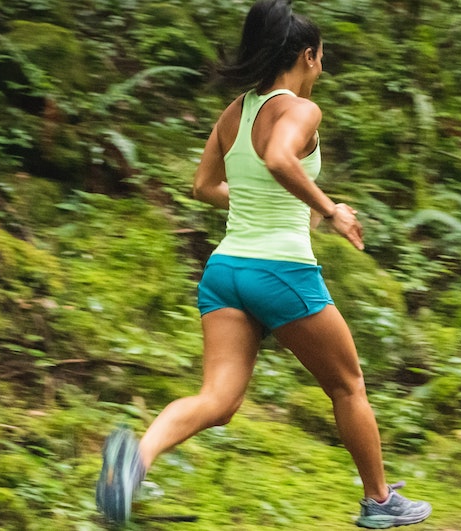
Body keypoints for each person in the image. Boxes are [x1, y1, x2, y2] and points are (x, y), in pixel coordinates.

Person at [95, 0, 432, 528]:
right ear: (307, 55)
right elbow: (278, 158)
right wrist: (331, 210)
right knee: (348, 386)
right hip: (280, 271)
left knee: (218, 399)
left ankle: (134, 461)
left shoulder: (235, 111)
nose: (321, 67)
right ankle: (381, 502)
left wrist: (275, 203)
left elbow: (203, 187)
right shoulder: (299, 109)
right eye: (321, 57)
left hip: (226, 271)